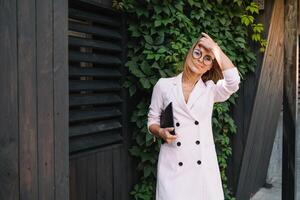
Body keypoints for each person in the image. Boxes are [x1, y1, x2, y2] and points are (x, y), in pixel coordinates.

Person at [147, 32, 241, 200]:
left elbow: (233, 82)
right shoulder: (164, 85)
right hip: (173, 166)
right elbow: (152, 120)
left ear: (210, 66)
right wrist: (160, 132)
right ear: (190, 53)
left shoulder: (210, 90)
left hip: (202, 170)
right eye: (198, 53)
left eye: (207, 58)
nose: (200, 59)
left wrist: (216, 49)